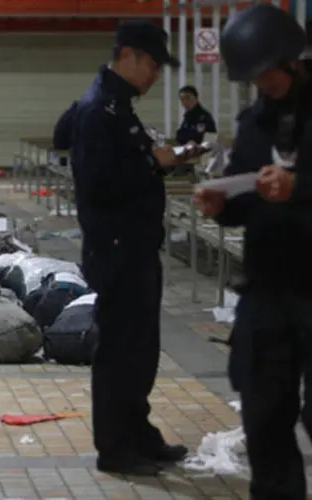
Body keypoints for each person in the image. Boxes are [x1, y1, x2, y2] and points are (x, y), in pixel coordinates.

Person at [193, 5, 312, 499]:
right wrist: (222, 206)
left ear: (290, 59)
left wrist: (299, 187)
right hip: (268, 291)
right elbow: (247, 204)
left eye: (266, 74)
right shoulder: (255, 122)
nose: (262, 85)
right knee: (263, 411)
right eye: (252, 78)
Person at [52, 20, 189, 476]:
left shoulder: (119, 107)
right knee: (119, 350)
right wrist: (155, 162)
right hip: (116, 249)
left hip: (135, 245)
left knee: (140, 347)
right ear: (127, 55)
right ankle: (115, 447)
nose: (155, 76)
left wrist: (159, 162)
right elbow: (99, 185)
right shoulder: (100, 111)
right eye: (151, 64)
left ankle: (138, 433)